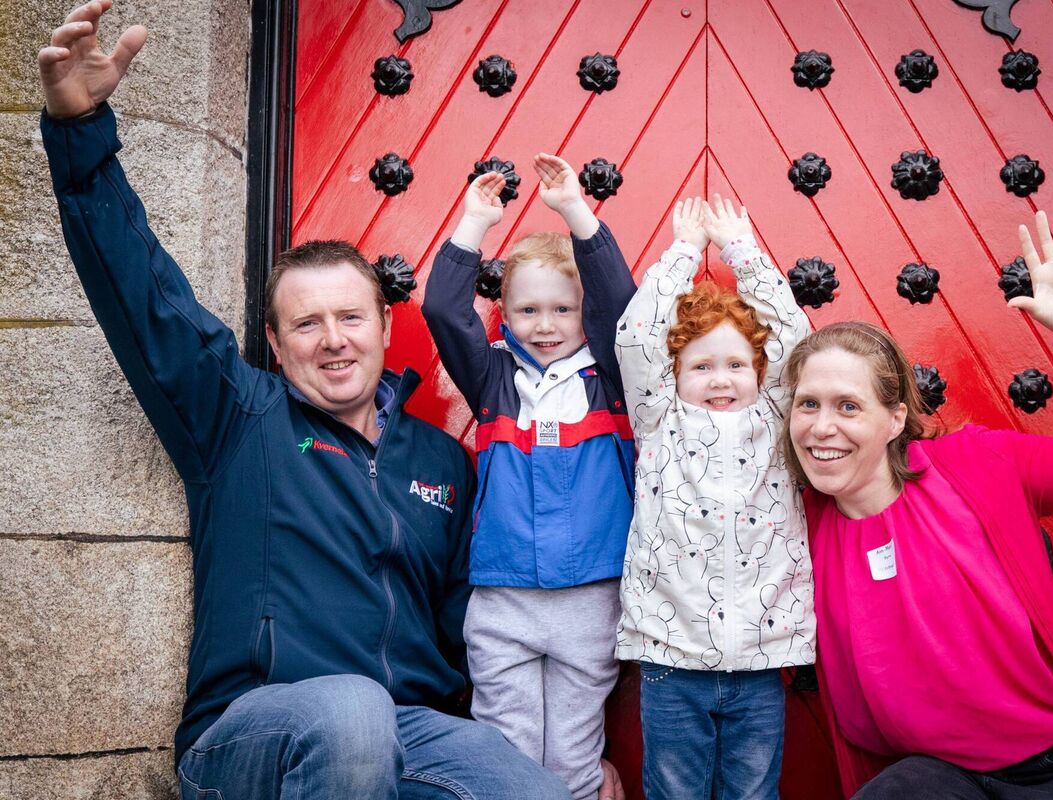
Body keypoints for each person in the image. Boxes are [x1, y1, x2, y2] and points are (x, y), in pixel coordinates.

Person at [37, 2, 626, 797]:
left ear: (384, 324)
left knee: (537, 792)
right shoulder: (238, 420)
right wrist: (82, 138)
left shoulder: (443, 462)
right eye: (306, 324)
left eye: (350, 316)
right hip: (254, 730)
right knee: (352, 710)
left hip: (412, 730)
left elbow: (474, 622)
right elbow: (144, 298)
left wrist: (557, 759)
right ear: (275, 346)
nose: (333, 339)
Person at [780, 210, 1053, 800]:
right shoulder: (797, 522)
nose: (822, 427)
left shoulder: (977, 465)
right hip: (933, 775)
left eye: (847, 406)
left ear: (895, 419)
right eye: (807, 405)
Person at [421, 159, 637, 799]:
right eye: (527, 310)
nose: (545, 325)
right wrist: (474, 224)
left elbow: (622, 305)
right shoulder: (493, 382)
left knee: (572, 760)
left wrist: (575, 211)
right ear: (505, 315)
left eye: (562, 309)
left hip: (590, 602)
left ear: (584, 313)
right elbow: (441, 308)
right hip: (504, 603)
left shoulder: (613, 380)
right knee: (504, 759)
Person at [614, 196, 815, 799]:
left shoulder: (778, 417)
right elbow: (636, 338)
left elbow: (792, 338)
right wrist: (681, 253)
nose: (721, 379)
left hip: (760, 663)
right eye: (701, 366)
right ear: (674, 375)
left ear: (760, 371)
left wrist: (742, 254)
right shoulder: (659, 420)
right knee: (674, 792)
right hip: (672, 659)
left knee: (754, 793)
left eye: (736, 364)